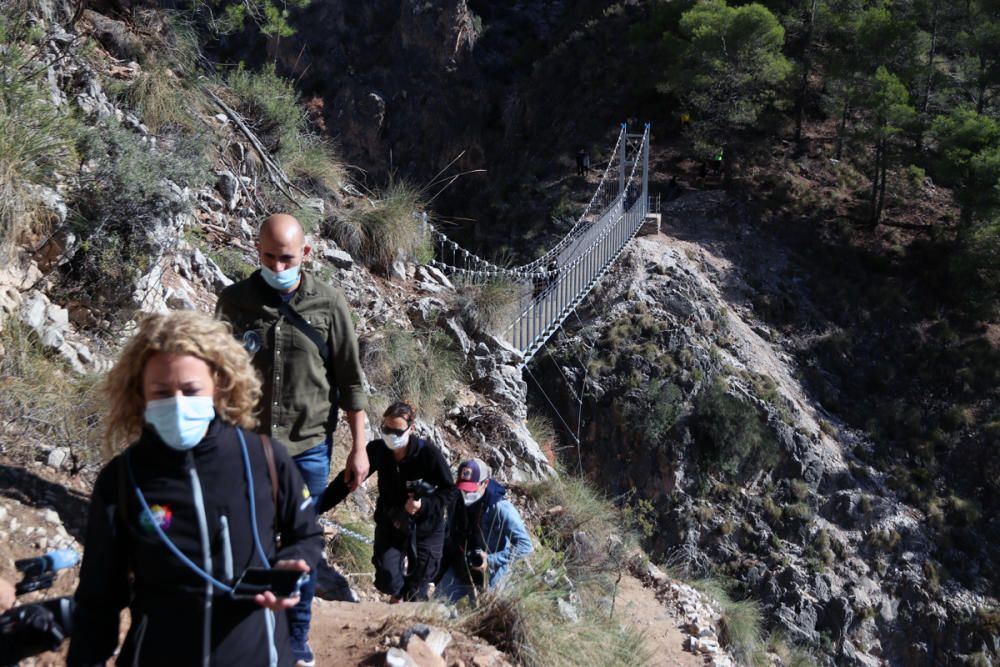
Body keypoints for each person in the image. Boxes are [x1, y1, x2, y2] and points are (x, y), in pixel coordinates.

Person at [67, 311, 323, 667]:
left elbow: (307, 534)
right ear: (139, 393)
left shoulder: (265, 458)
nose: (178, 402)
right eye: (161, 392)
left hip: (261, 655)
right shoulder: (122, 479)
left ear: (219, 384)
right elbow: (99, 598)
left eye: (190, 390)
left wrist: (296, 561)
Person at [216, 213, 368, 666]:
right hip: (247, 448)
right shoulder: (234, 301)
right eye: (268, 256)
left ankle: (297, 640)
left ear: (305, 254)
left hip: (308, 451)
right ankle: (247, 634)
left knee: (300, 548)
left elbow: (351, 383)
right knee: (247, 543)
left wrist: (359, 449)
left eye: (287, 258)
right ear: (256, 251)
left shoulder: (329, 304)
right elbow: (218, 374)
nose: (277, 266)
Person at [317, 402, 456, 602]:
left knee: (417, 590)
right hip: (392, 523)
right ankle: (397, 596)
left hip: (426, 528)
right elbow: (346, 482)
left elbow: (449, 491)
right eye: (386, 429)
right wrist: (316, 508)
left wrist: (423, 505)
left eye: (397, 431)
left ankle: (408, 616)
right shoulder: (377, 451)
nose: (391, 435)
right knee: (387, 580)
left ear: (411, 429)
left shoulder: (428, 454)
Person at [436, 459, 534, 602]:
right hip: (460, 567)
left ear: (485, 484)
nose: (466, 494)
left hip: (492, 575)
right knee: (436, 605)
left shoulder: (501, 508)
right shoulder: (455, 501)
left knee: (488, 618)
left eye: (471, 489)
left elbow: (525, 546)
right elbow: (450, 533)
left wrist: (490, 560)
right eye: (463, 488)